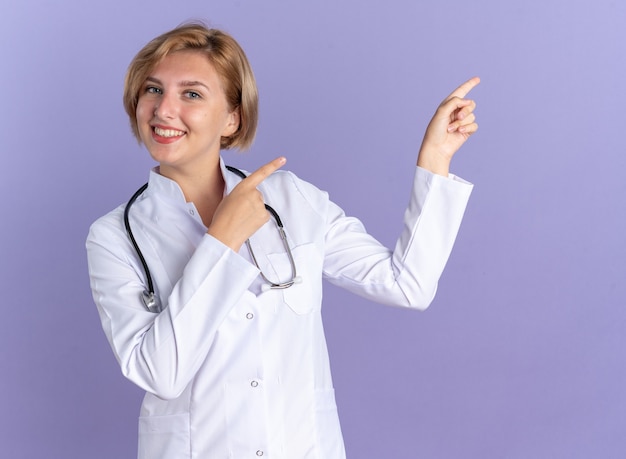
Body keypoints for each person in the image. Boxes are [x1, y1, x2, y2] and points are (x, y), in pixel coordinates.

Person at [86, 21, 478, 459]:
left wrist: (436, 158)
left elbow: (408, 284)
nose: (163, 110)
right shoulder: (115, 236)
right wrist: (222, 240)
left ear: (232, 118)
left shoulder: (292, 199)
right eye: (152, 90)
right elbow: (160, 374)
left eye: (191, 94)